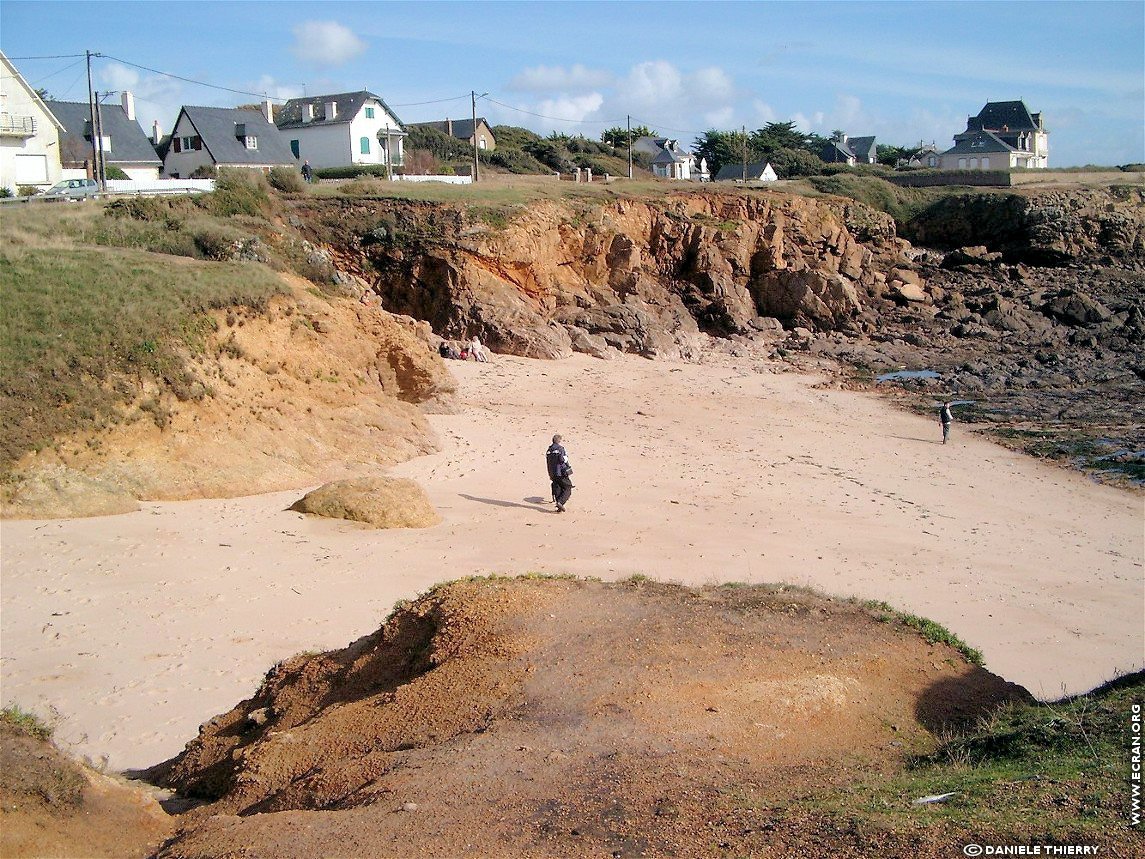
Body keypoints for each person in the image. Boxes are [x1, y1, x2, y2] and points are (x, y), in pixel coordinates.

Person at [546, 434, 574, 512]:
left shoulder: (549, 450)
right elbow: (563, 459)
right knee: (568, 487)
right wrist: (567, 463)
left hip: (552, 473)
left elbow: (548, 462)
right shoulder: (560, 448)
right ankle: (560, 502)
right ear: (559, 441)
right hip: (560, 472)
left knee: (558, 487)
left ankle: (559, 507)